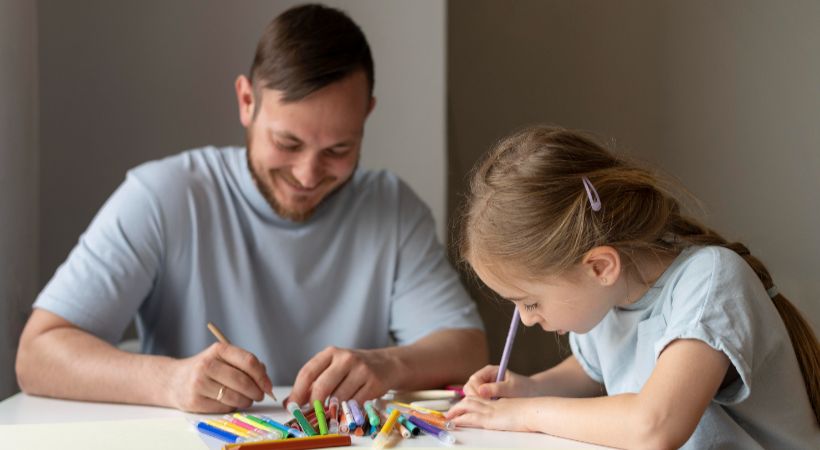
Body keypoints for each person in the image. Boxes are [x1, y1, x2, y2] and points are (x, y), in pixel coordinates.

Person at [15, 4, 487, 413]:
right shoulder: (163, 196)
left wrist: (387, 363)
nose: (307, 175)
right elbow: (37, 354)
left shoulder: (391, 208)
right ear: (246, 102)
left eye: (339, 150)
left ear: (367, 114)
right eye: (287, 142)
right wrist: (170, 381)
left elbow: (468, 348)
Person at [446, 126, 819, 449]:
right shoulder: (609, 297)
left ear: (600, 267)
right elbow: (592, 370)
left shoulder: (711, 282)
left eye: (529, 302)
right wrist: (529, 388)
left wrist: (525, 414)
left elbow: (655, 426)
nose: (526, 320)